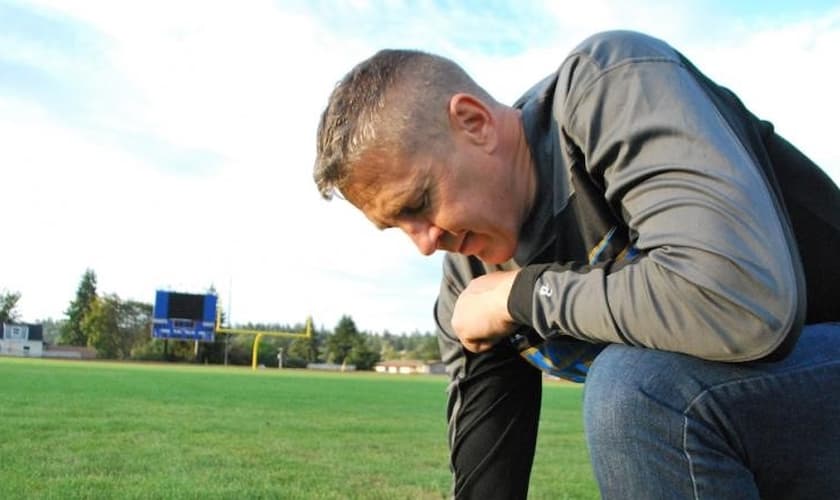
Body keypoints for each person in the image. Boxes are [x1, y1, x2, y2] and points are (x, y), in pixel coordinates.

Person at [313, 30, 840, 499]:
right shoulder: (470, 278)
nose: (424, 244)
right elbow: (487, 477)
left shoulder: (609, 87)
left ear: (473, 123)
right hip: (763, 425)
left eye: (419, 203)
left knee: (639, 387)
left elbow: (738, 301)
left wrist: (523, 294)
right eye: (398, 227)